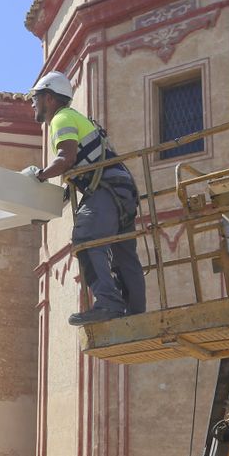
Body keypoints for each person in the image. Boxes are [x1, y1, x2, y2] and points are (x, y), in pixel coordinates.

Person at [26, 71, 147, 326]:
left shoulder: (61, 119)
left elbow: (66, 158)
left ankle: (109, 303)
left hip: (106, 190)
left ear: (49, 98)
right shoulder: (77, 118)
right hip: (122, 192)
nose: (32, 103)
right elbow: (76, 172)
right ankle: (136, 314)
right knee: (123, 254)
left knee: (86, 239)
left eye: (35, 98)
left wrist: (40, 176)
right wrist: (48, 208)